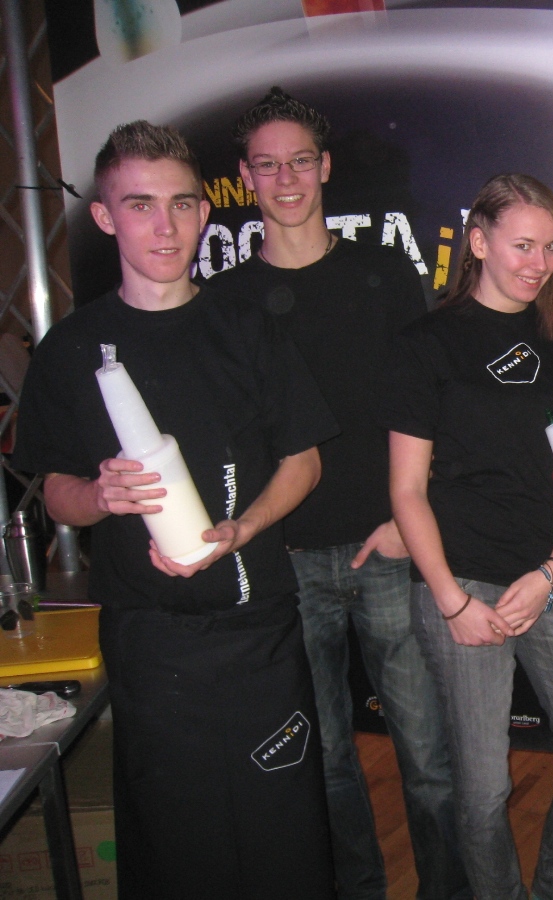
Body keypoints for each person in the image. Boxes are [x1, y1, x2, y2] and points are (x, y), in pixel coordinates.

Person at [13, 121, 338, 898]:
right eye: (141, 206)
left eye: (182, 204)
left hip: (258, 631)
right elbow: (57, 492)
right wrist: (99, 495)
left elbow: (305, 461)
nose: (166, 227)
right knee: (178, 844)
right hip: (150, 642)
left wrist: (244, 527)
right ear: (104, 216)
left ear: (204, 211)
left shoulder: (247, 328)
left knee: (284, 838)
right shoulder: (72, 349)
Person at [210, 86, 467, 900]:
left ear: (323, 168)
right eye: (267, 165)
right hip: (285, 564)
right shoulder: (225, 301)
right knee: (323, 762)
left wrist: (402, 519)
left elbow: (428, 406)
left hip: (385, 548)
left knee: (428, 757)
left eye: (299, 161)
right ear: (246, 177)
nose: (285, 179)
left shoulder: (381, 272)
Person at [383, 174, 553, 900]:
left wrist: (551, 573)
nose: (539, 263)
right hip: (462, 587)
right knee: (483, 789)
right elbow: (406, 491)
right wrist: (452, 602)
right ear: (479, 242)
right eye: (523, 245)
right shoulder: (426, 343)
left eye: (551, 248)